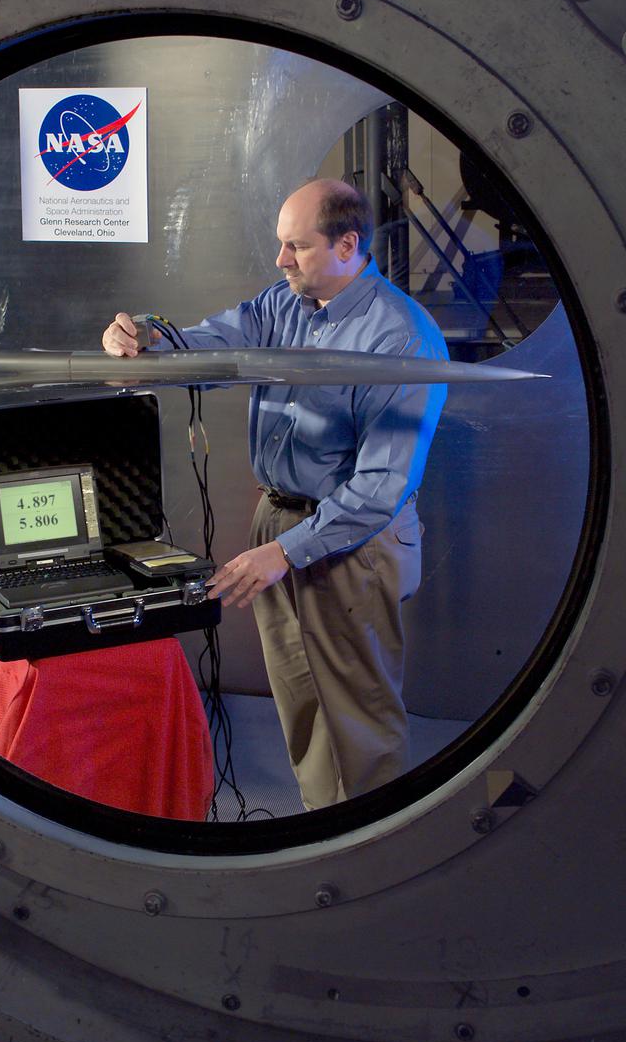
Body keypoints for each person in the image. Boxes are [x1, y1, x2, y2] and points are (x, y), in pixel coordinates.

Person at [101, 179, 448, 809]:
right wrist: (146, 333)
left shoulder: (400, 337)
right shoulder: (284, 303)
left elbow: (381, 486)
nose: (282, 260)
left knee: (360, 720)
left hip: (351, 543)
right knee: (304, 707)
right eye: (280, 246)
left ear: (348, 245)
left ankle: (375, 866)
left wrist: (284, 553)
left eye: (297, 246)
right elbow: (209, 339)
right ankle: (323, 838)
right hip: (280, 522)